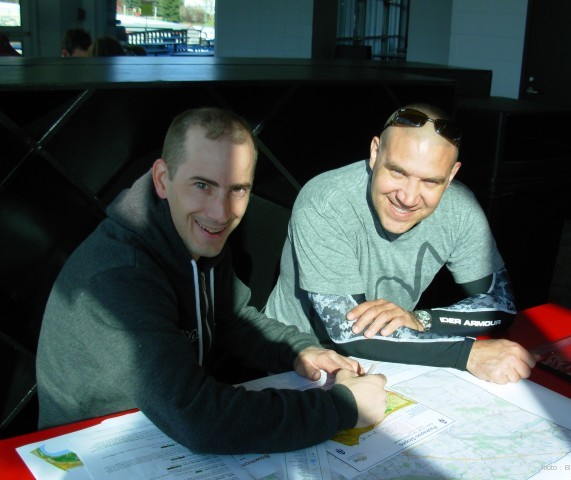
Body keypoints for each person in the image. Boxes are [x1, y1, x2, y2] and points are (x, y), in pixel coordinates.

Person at [36, 107, 387, 454]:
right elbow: (200, 420)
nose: (221, 213)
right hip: (88, 454)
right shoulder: (119, 276)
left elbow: (231, 318)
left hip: (158, 434)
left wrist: (299, 351)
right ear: (162, 179)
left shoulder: (193, 234)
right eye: (202, 185)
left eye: (238, 189)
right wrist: (344, 407)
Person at [265, 103, 537, 385]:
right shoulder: (326, 201)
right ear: (375, 153)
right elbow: (348, 332)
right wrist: (466, 354)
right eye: (398, 172)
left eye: (430, 181)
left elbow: (501, 305)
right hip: (295, 368)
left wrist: (422, 320)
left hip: (388, 363)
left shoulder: (461, 209)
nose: (408, 198)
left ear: (451, 176)